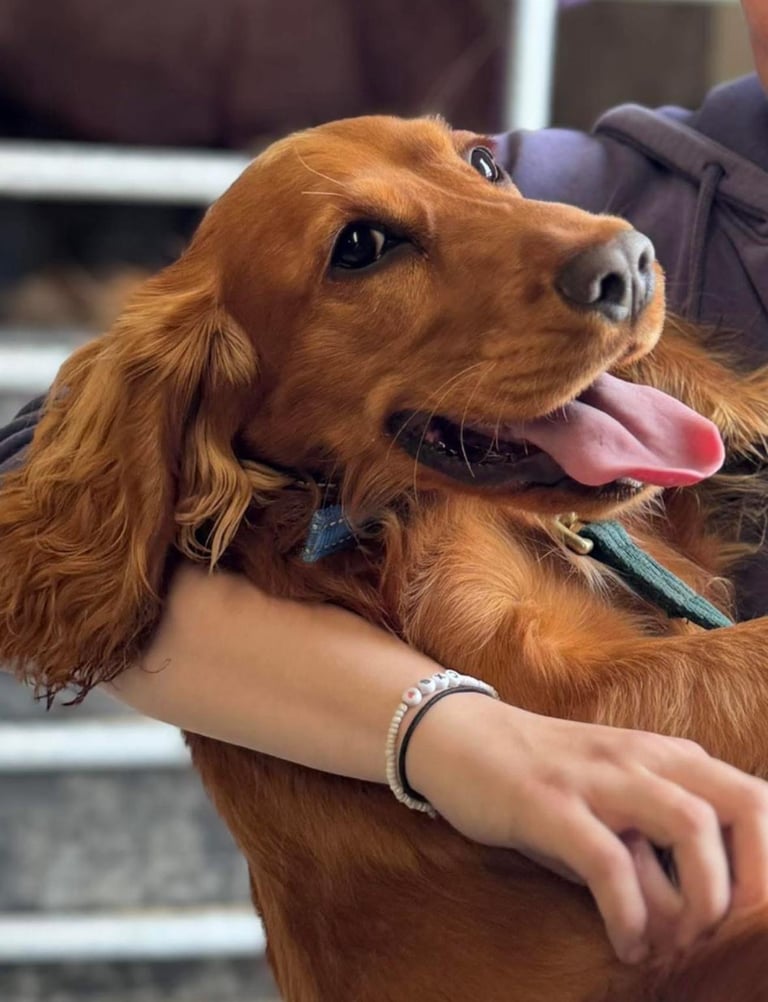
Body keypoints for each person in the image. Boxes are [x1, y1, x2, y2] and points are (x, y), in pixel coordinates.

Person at [2, 0, 768, 970]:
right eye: (363, 250)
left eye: (482, 164)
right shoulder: (641, 189)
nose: (589, 243)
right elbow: (38, 485)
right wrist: (445, 735)